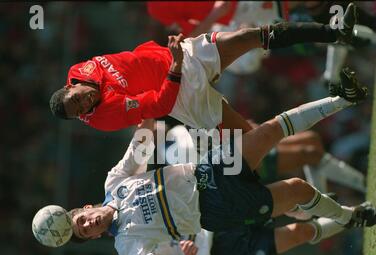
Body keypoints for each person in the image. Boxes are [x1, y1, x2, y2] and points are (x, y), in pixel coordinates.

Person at [40, 67, 375, 255]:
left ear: (85, 208)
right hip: (217, 209)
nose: (88, 225)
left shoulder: (114, 183)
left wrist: (156, 94)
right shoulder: (127, 243)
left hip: (207, 170)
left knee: (270, 130)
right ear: (95, 236)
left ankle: (345, 99)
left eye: (81, 220)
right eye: (85, 232)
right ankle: (350, 217)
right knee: (299, 189)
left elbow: (143, 141)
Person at [50, 3, 358, 132]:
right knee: (255, 135)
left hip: (182, 55)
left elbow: (130, 62)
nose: (85, 103)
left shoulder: (81, 68)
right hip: (183, 95)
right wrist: (175, 67)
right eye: (81, 110)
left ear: (70, 85)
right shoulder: (105, 116)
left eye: (77, 98)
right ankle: (342, 97)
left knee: (251, 36)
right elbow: (159, 105)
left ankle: (335, 33)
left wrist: (167, 53)